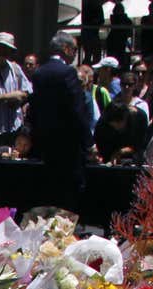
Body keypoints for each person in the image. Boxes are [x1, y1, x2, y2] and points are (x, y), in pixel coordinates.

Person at [27, 32, 93, 211]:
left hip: (45, 144)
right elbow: (77, 110)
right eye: (73, 50)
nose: (74, 54)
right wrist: (89, 142)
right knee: (68, 196)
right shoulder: (67, 72)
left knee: (50, 194)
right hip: (68, 146)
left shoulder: (39, 73)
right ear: (65, 49)